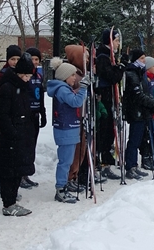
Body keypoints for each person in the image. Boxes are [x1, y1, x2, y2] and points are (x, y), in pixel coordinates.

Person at [0, 53, 36, 216]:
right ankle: (8, 202)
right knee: (9, 170)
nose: (27, 79)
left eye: (29, 76)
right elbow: (3, 113)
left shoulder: (23, 87)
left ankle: (12, 199)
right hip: (11, 135)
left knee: (18, 169)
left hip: (22, 132)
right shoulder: (8, 87)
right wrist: (12, 131)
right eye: (25, 75)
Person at [47, 57, 89, 203]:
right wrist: (83, 88)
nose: (74, 78)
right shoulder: (62, 90)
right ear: (65, 76)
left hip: (69, 129)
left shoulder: (64, 88)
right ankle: (60, 189)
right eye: (72, 75)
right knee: (65, 161)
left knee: (68, 160)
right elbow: (76, 102)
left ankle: (63, 186)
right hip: (66, 130)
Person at [94, 29, 126, 180]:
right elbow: (111, 76)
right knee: (104, 130)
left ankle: (106, 159)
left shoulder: (110, 56)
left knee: (109, 131)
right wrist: (119, 69)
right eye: (116, 41)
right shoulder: (103, 56)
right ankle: (102, 160)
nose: (118, 44)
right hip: (104, 97)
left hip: (111, 97)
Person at [122, 49, 154, 180]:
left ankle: (134, 165)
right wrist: (151, 103)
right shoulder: (131, 73)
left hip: (142, 111)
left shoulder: (140, 73)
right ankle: (130, 166)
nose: (144, 61)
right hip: (136, 111)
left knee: (139, 139)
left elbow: (146, 91)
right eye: (142, 58)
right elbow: (138, 95)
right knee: (134, 139)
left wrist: (151, 102)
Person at [22, 47, 47, 189]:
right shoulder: (25, 75)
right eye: (32, 59)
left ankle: (26, 173)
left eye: (37, 59)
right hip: (26, 114)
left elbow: (41, 96)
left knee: (31, 146)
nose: (34, 62)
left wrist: (43, 113)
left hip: (35, 114)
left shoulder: (38, 76)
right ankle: (21, 175)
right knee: (24, 146)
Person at [140, 56, 154, 170]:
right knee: (146, 135)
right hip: (149, 109)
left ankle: (153, 155)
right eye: (153, 66)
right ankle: (145, 157)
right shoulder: (146, 78)